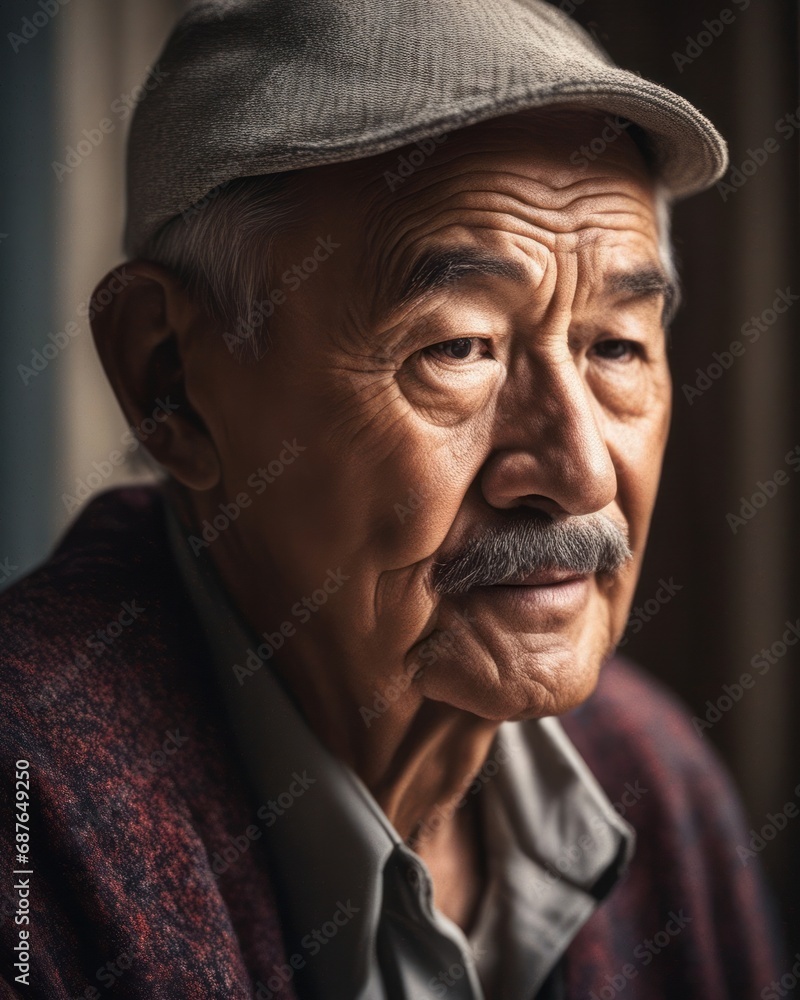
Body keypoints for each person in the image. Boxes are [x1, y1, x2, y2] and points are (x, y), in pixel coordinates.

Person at [0, 1, 783, 997]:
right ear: (171, 381)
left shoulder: (655, 774)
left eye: (615, 346)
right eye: (456, 348)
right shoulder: (28, 814)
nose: (579, 471)